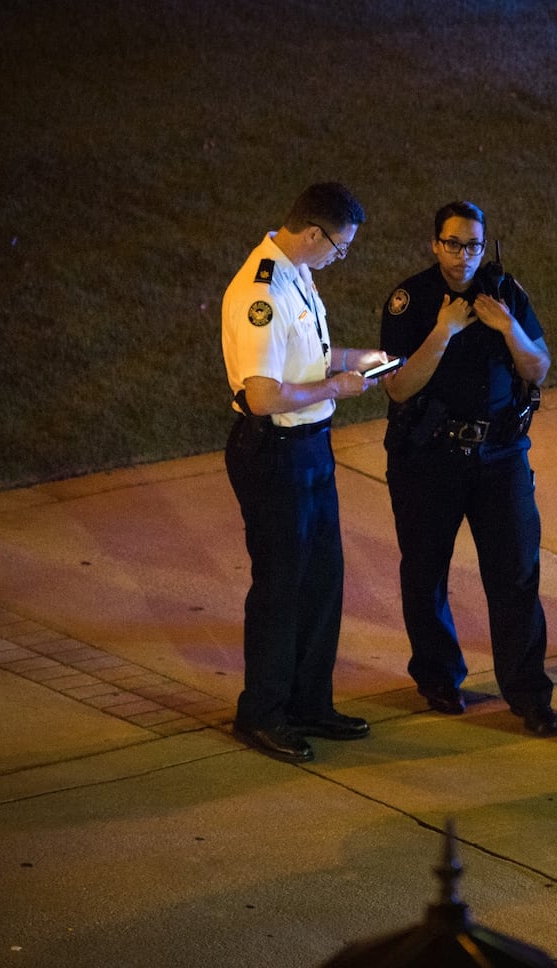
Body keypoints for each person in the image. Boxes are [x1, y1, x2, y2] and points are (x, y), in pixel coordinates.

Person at [221, 181, 393, 764]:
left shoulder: (297, 272)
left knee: (322, 581)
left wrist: (353, 360)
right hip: (276, 452)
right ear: (314, 233)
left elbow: (308, 354)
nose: (340, 257)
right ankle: (262, 714)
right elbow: (264, 395)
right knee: (281, 586)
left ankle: (309, 702)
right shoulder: (259, 291)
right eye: (339, 247)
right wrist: (336, 389)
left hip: (310, 448)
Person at [378, 201, 557, 736]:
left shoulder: (507, 293)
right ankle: (437, 677)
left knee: (516, 573)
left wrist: (508, 329)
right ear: (435, 244)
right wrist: (443, 331)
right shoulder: (408, 300)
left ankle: (528, 692)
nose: (464, 255)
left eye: (474, 245)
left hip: (500, 456)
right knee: (425, 569)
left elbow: (538, 366)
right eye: (453, 244)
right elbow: (398, 386)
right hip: (429, 457)